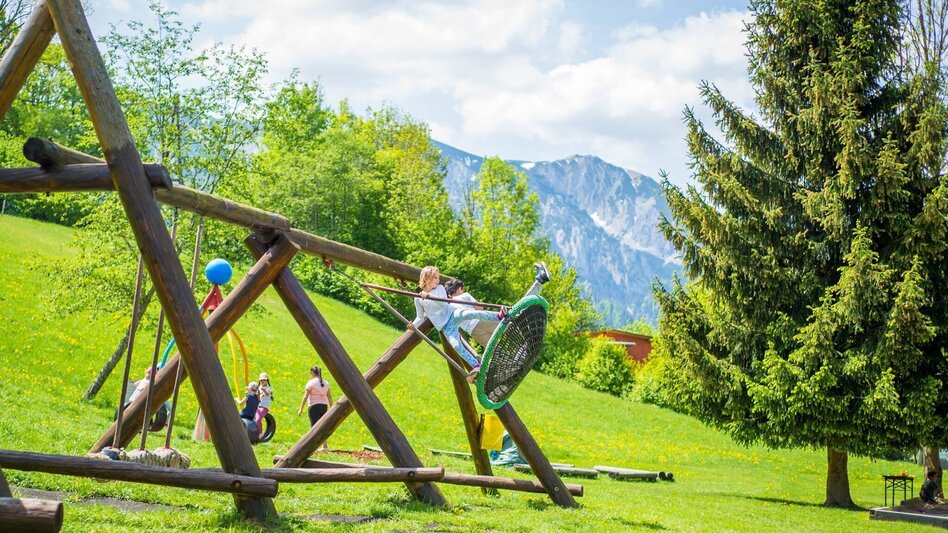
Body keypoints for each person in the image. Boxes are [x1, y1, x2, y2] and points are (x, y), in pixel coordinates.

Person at [411, 266, 504, 384]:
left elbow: (442, 304)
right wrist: (412, 325)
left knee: (468, 314)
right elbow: (419, 317)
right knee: (456, 345)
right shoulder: (418, 299)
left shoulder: (439, 288)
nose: (438, 280)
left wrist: (429, 296)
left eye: (438, 277)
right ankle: (475, 365)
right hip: (445, 327)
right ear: (426, 278)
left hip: (452, 313)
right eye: (435, 277)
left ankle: (498, 316)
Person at [298, 366, 333, 450]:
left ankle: (312, 446)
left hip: (314, 406)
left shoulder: (311, 383)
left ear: (312, 373)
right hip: (324, 406)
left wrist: (301, 409)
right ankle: (325, 446)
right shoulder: (326, 383)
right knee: (322, 426)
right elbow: (329, 396)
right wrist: (332, 407)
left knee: (314, 427)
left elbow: (305, 396)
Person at [254, 372, 273, 438]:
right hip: (258, 406)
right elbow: (257, 395)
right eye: (261, 380)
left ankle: (261, 432)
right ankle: (255, 432)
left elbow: (267, 394)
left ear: (267, 380)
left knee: (258, 419)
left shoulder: (268, 388)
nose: (262, 381)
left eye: (264, 380)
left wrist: (264, 390)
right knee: (255, 419)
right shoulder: (259, 387)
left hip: (264, 406)